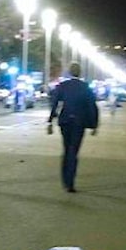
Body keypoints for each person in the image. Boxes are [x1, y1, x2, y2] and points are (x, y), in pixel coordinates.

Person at [46, 61, 99, 193]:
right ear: (80, 73)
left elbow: (55, 103)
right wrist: (94, 125)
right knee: (73, 152)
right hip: (79, 123)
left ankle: (65, 180)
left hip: (65, 122)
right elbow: (92, 107)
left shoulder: (63, 86)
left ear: (69, 72)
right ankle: (70, 183)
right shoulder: (85, 87)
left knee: (65, 149)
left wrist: (50, 121)